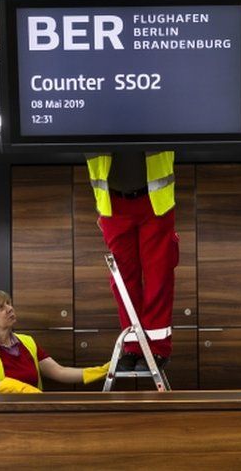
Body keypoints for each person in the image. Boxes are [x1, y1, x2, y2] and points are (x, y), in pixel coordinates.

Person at [86, 150, 178, 372]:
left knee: (159, 275)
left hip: (155, 203)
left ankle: (157, 347)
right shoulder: (93, 116)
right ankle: (132, 346)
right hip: (113, 204)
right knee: (122, 281)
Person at [0, 290, 110, 394]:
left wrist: (104, 371)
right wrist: (18, 388)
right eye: (0, 307)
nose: (9, 309)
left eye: (8, 304)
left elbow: (60, 372)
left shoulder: (27, 342)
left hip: (30, 412)